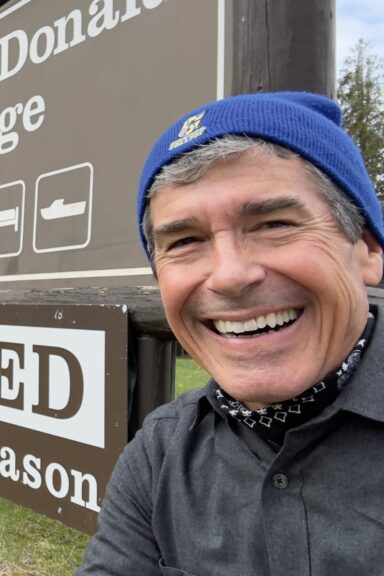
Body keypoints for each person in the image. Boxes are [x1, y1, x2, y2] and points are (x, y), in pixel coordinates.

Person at [78, 92, 384, 575]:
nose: (229, 275)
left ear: (367, 249)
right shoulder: (157, 457)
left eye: (273, 224)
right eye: (185, 241)